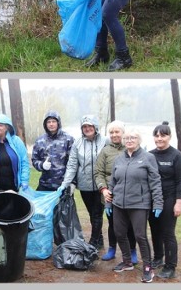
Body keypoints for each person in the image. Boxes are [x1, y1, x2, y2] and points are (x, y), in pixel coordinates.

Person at [105, 129, 163, 283]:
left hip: (139, 204)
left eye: (133, 137)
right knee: (119, 233)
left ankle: (148, 268)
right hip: (118, 204)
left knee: (140, 236)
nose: (129, 140)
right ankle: (127, 261)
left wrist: (158, 203)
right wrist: (108, 202)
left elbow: (155, 182)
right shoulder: (119, 159)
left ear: (139, 140)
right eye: (126, 138)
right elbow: (112, 182)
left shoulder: (148, 157)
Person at [58, 115, 107, 249]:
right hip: (84, 185)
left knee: (97, 213)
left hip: (100, 185)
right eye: (84, 126)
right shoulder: (78, 143)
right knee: (92, 213)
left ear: (95, 127)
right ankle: (100, 239)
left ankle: (93, 242)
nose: (87, 129)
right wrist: (65, 184)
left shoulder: (105, 141)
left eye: (90, 126)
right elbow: (72, 164)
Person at [94, 120, 138, 262]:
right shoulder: (106, 151)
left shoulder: (132, 148)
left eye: (117, 131)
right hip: (110, 195)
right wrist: (103, 189)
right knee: (113, 224)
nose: (114, 135)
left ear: (123, 133)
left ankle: (132, 251)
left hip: (130, 194)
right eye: (111, 132)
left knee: (131, 224)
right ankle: (112, 249)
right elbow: (98, 172)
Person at [148, 122, 181, 279]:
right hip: (152, 199)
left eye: (163, 135)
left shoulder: (176, 156)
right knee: (155, 230)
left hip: (169, 198)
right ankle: (158, 257)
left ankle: (171, 266)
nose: (159, 138)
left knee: (168, 232)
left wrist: (179, 202)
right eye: (156, 135)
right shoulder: (149, 155)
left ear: (169, 136)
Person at [31, 110, 74, 191]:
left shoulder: (68, 139)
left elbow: (73, 163)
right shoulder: (40, 141)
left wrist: (73, 182)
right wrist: (42, 165)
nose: (51, 124)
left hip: (63, 185)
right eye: (48, 122)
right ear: (45, 124)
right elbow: (34, 160)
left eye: (54, 121)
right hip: (45, 185)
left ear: (58, 123)